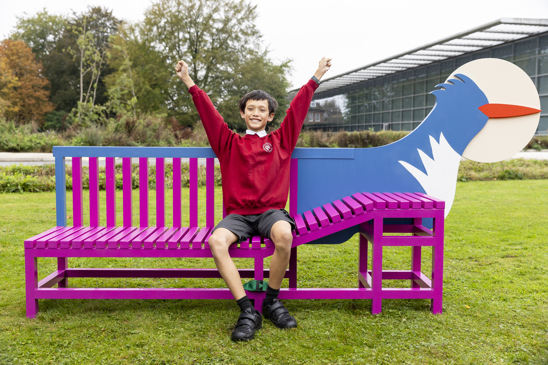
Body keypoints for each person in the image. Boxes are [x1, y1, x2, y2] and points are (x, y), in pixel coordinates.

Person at [175, 57, 331, 341]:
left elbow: (297, 110)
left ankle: (271, 301)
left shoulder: (282, 140)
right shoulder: (228, 141)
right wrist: (188, 81)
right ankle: (248, 310)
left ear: (270, 116)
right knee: (216, 241)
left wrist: (316, 77)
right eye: (251, 109)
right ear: (242, 113)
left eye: (262, 109)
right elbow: (209, 114)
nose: (256, 113)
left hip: (271, 212)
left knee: (284, 235)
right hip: (238, 216)